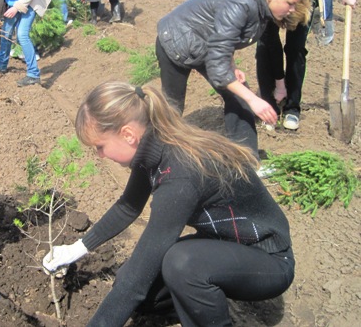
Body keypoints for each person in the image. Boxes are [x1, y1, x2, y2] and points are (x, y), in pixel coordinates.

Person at [42, 81, 295, 327]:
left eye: (100, 146)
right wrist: (77, 248)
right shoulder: (152, 148)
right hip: (223, 246)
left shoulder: (181, 171)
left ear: (128, 134)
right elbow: (128, 207)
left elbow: (137, 280)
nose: (99, 154)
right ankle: (205, 299)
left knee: (181, 264)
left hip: (269, 259)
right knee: (140, 291)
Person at [155, 0, 315, 159]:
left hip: (204, 44)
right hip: (175, 39)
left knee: (239, 97)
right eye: (289, 3)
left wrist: (231, 66)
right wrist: (253, 98)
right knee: (172, 109)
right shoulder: (241, 3)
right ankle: (157, 158)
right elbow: (217, 65)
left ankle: (246, 162)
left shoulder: (260, 6)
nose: (291, 10)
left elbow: (225, 36)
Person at [256, 0, 357, 131]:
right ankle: (269, 106)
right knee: (264, 47)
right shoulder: (266, 3)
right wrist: (280, 84)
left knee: (296, 49)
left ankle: (292, 108)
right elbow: (273, 45)